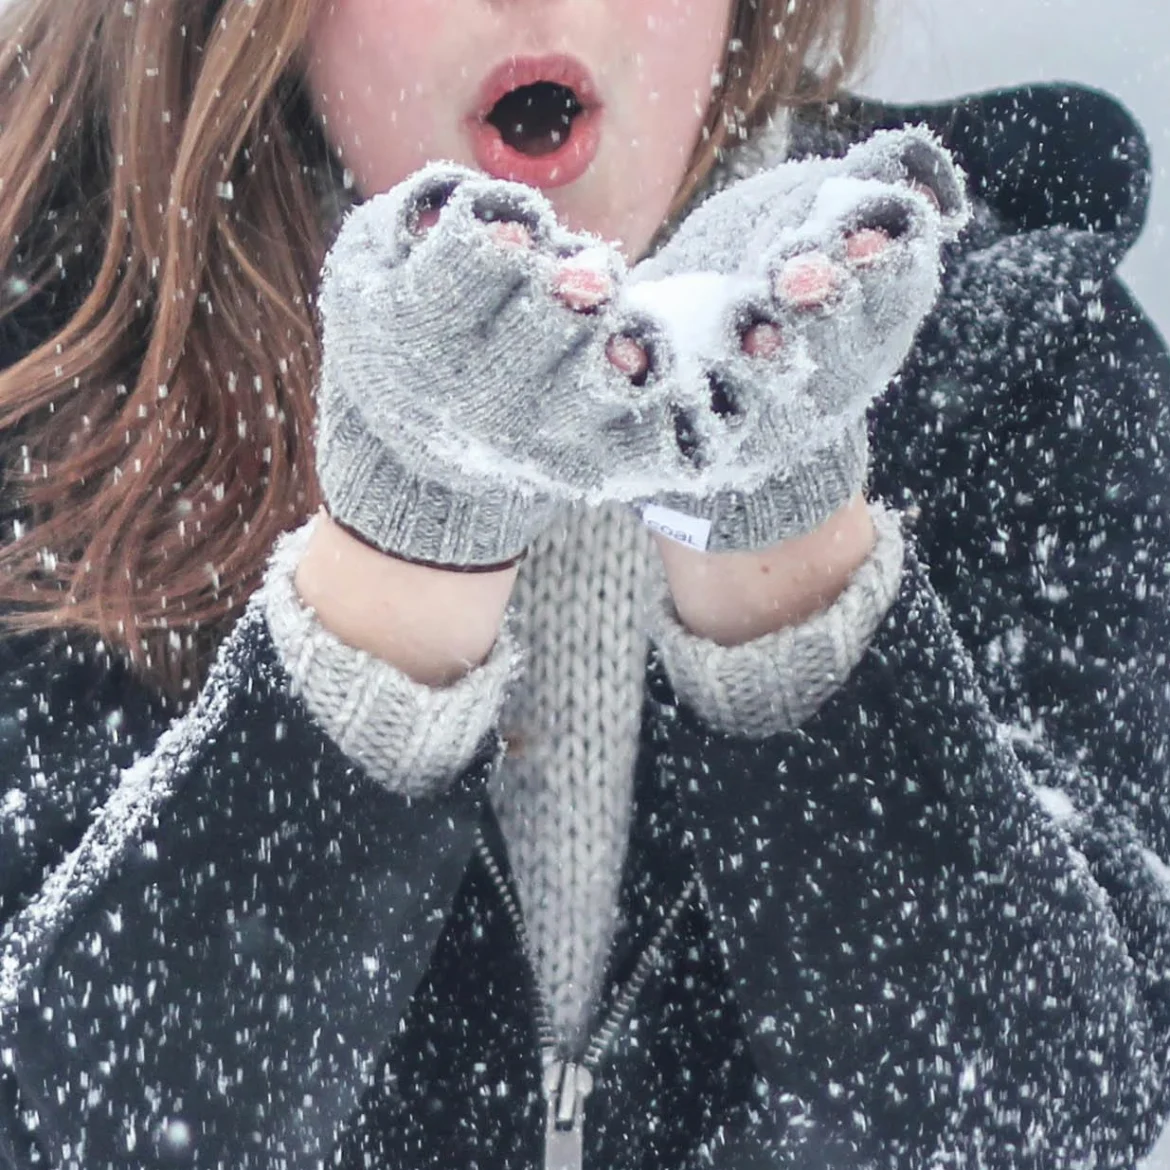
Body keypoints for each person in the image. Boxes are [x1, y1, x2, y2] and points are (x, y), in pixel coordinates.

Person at [0, 0, 1167, 1164]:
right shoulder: (48, 396)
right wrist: (399, 563)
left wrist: (792, 554)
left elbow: (1071, 1122)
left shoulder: (1025, 368)